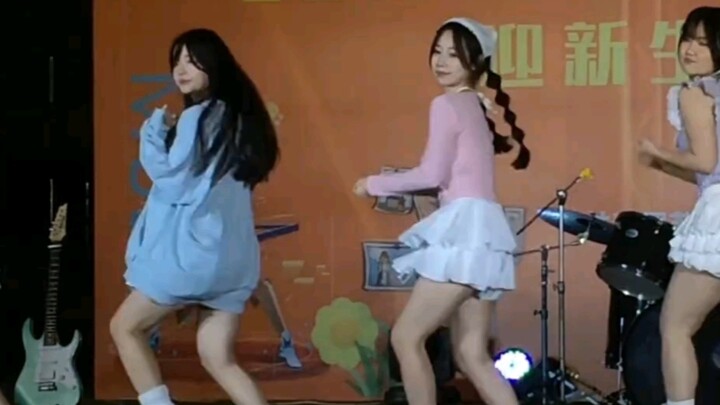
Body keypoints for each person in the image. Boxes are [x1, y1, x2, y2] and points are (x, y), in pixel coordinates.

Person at [354, 17, 530, 405]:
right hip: (483, 233)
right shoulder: (474, 104)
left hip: (466, 232)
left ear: (475, 62)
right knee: (471, 354)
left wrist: (373, 183)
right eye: (438, 51)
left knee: (407, 337)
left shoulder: (447, 104)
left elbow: (431, 174)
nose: (442, 61)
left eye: (454, 54)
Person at [109, 28, 279, 405]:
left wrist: (152, 135)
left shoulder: (197, 117)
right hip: (235, 263)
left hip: (191, 257)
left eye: (192, 60)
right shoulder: (243, 120)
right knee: (219, 359)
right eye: (177, 61)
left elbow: (173, 180)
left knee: (124, 328)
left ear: (214, 64)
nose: (181, 69)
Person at [637, 6, 720, 405]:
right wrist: (664, 164)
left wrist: (657, 151)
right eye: (688, 39)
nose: (691, 49)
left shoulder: (697, 92)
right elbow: (710, 173)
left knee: (675, 326)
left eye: (704, 43)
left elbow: (704, 162)